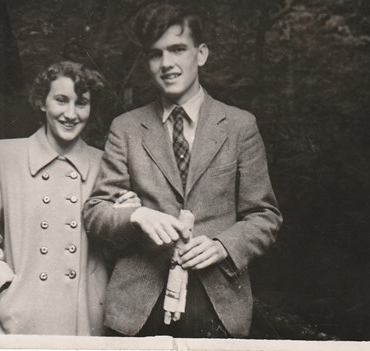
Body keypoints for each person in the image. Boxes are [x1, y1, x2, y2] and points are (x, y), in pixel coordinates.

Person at [83, 3, 283, 338]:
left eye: (177, 49)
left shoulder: (239, 126)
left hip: (217, 302)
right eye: (155, 54)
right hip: (137, 306)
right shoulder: (127, 127)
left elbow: (265, 215)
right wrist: (136, 216)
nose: (167, 64)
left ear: (201, 54)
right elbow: (96, 212)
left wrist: (223, 245)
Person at [0, 61, 138, 335]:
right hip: (13, 319)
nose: (71, 113)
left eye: (81, 103)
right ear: (42, 103)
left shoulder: (105, 163)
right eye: (60, 100)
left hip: (83, 318)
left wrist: (126, 219)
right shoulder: (4, 156)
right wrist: (5, 292)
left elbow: (113, 250)